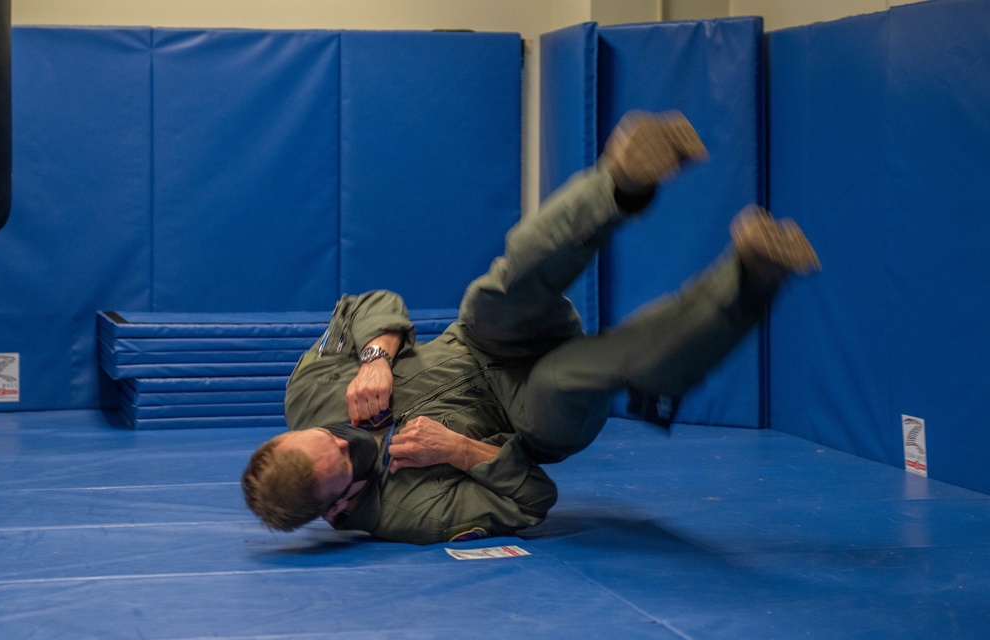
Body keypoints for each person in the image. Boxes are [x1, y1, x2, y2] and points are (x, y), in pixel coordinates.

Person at [242, 110, 820, 545]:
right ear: (334, 506)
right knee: (576, 375)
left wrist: (376, 354)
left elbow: (363, 302)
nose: (341, 437)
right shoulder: (403, 514)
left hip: (486, 340)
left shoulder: (309, 394)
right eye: (340, 458)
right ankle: (751, 277)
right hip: (530, 420)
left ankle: (620, 184)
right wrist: (463, 451)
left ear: (290, 434)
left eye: (323, 436)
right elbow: (532, 502)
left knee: (494, 292)